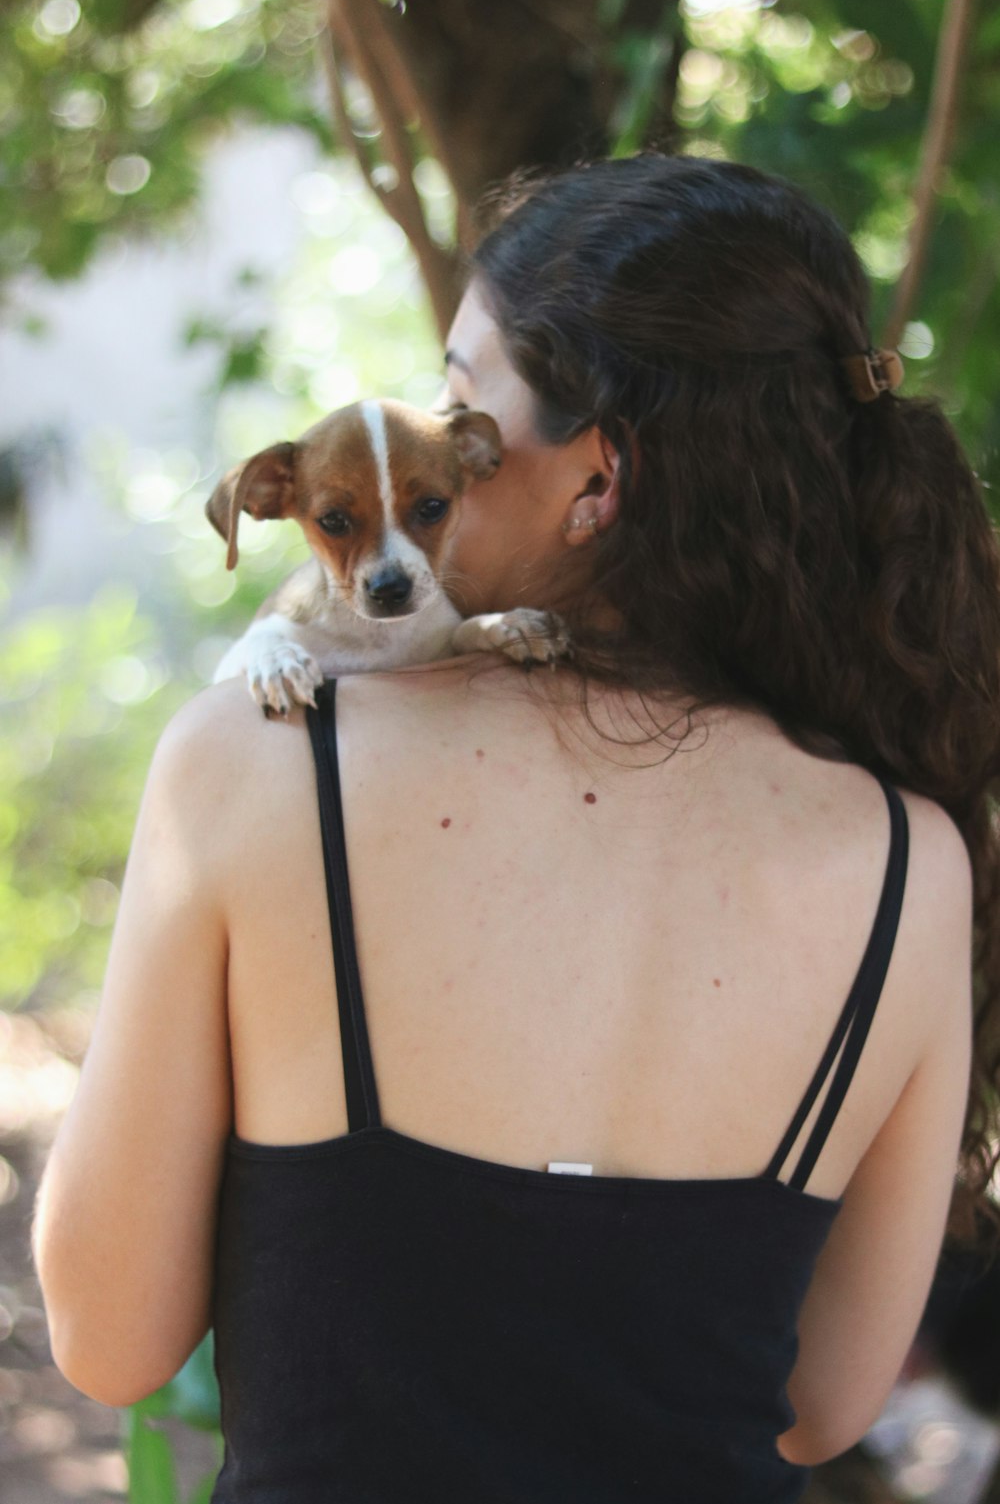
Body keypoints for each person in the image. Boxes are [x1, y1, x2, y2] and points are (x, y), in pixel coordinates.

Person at [31, 152, 999, 1502]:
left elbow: (110, 1335)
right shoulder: (909, 858)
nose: (438, 439)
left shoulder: (258, 765)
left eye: (464, 401)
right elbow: (826, 1401)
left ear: (599, 477)